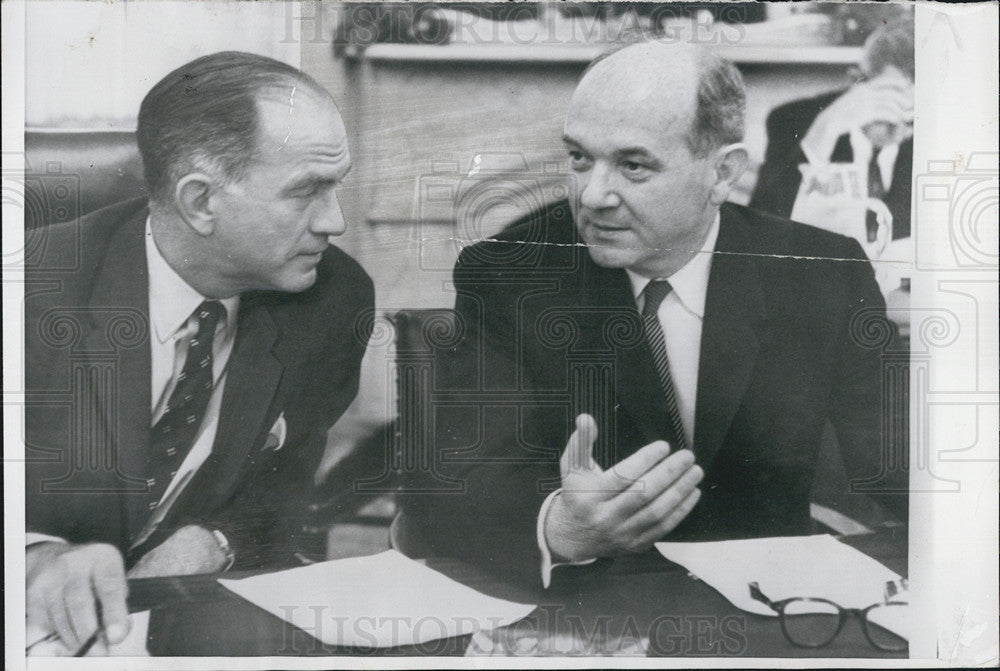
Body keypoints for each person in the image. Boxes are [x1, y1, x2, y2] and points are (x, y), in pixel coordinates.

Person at [400, 41, 907, 590]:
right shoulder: (510, 273)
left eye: (633, 165)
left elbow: (909, 469)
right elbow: (451, 484)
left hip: (772, 612)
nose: (593, 196)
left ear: (722, 173)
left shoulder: (820, 273)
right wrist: (562, 529)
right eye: (578, 158)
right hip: (587, 612)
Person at [24, 51, 373, 654]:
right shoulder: (26, 292)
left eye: (335, 187)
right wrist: (35, 557)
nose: (335, 222)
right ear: (199, 201)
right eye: (306, 193)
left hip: (181, 625)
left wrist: (214, 539)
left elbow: (282, 493)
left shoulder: (333, 300)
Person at [750, 16, 914, 240]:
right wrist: (824, 131)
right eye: (891, 103)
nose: (904, 128)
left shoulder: (941, 134)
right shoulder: (792, 120)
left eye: (912, 118)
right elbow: (756, 233)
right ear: (856, 81)